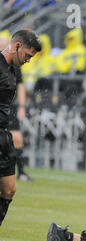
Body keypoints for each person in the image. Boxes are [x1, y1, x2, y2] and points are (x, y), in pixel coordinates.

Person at [0, 29, 41, 241]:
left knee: (9, 189)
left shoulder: (14, 70)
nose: (28, 60)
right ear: (16, 46)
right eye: (27, 55)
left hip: (3, 135)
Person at [0, 32, 32, 181]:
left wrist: (21, 107)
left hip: (9, 107)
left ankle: (21, 172)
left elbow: (20, 85)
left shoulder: (15, 66)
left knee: (17, 139)